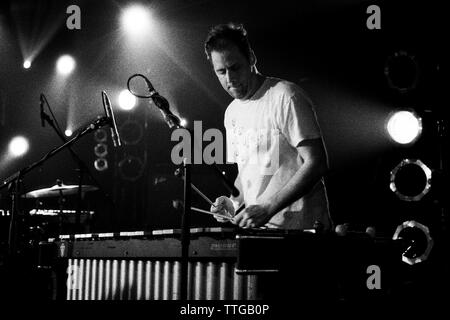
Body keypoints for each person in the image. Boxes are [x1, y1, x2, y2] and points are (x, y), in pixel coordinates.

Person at [205, 23, 332, 231]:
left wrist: (268, 207)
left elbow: (316, 162)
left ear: (252, 58)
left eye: (235, 67)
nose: (230, 79)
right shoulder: (232, 113)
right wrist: (232, 203)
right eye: (221, 71)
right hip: (263, 233)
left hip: (302, 230)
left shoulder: (285, 96)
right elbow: (249, 172)